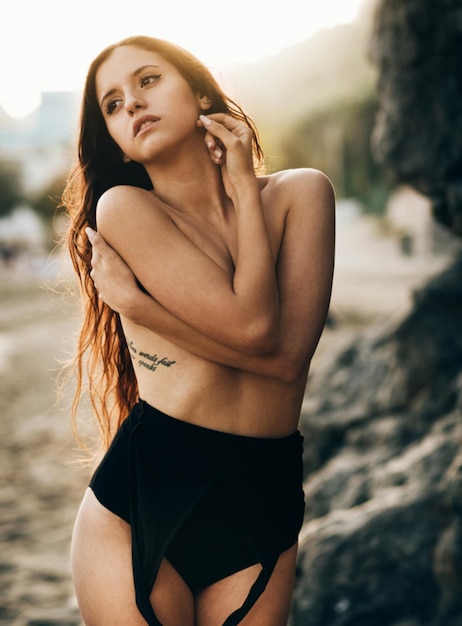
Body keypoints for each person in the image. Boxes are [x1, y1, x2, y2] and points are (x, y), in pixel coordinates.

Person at [64, 35, 335, 626]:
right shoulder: (125, 210)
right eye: (111, 104)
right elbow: (260, 332)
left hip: (261, 499)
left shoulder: (301, 194)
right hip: (143, 498)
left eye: (148, 81)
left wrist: (139, 305)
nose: (131, 104)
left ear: (202, 92)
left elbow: (280, 356)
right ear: (111, 135)